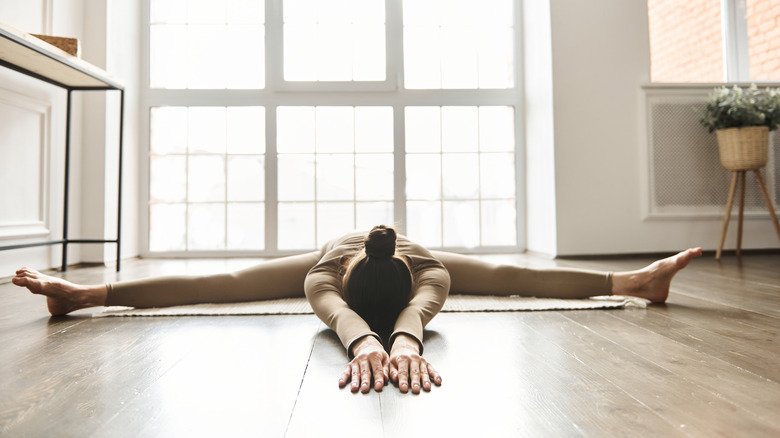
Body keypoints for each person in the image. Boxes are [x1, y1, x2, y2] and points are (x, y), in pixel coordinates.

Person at [11, 225, 702, 395]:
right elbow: (338, 311)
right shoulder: (323, 270)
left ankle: (638, 281)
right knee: (224, 279)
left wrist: (398, 343)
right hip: (335, 261)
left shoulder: (426, 265)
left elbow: (413, 309)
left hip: (398, 268)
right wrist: (375, 341)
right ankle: (85, 295)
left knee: (511, 274)